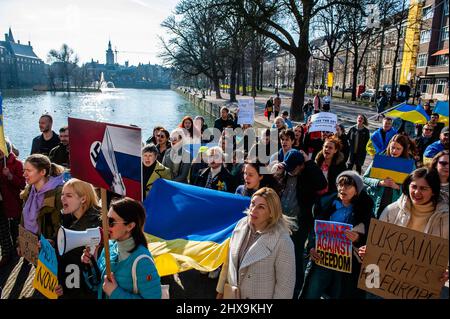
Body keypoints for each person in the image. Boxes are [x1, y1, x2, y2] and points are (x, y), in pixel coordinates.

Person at [358, 167, 448, 298]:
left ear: (433, 191)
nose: (417, 192)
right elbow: (378, 242)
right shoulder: (391, 210)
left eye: (423, 188)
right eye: (414, 186)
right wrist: (369, 251)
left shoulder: (445, 218)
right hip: (383, 282)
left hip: (418, 286)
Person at [301, 171, 373, 299]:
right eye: (340, 185)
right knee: (311, 292)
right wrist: (311, 248)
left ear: (357, 191)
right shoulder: (324, 205)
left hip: (346, 267)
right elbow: (314, 231)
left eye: (348, 186)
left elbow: (371, 237)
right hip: (322, 260)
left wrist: (358, 238)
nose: (342, 189)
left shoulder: (365, 211)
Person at [216, 187, 296, 299]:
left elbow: (285, 288)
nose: (253, 210)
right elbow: (228, 262)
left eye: (261, 207)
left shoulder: (283, 241)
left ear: (272, 213)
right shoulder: (241, 224)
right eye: (253, 204)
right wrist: (220, 291)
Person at [81, 198, 162, 299]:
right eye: (105, 219)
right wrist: (91, 265)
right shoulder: (109, 246)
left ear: (130, 226)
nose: (105, 226)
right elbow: (96, 285)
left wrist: (115, 293)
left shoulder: (142, 261)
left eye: (111, 222)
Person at [274, 149, 328, 297]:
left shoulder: (308, 173)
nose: (290, 172)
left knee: (295, 254)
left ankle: (296, 288)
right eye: (288, 168)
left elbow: (323, 185)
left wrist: (310, 163)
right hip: (279, 220)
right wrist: (277, 172)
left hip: (299, 223)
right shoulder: (284, 172)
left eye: (293, 169)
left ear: (301, 166)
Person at [55, 178, 102, 299]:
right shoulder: (70, 218)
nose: (63, 198)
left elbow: (80, 268)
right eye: (62, 195)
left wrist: (66, 288)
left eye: (69, 195)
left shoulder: (95, 227)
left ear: (83, 199)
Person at [363, 134, 414, 218]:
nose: (394, 151)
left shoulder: (409, 164)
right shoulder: (380, 159)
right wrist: (380, 183)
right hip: (375, 201)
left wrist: (397, 187)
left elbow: (412, 186)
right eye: (392, 147)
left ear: (403, 149)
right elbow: (365, 178)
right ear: (389, 146)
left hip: (395, 205)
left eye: (398, 149)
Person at [19, 154, 65, 241]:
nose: (24, 174)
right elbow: (23, 218)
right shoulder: (29, 190)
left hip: (48, 247)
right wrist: (20, 241)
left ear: (43, 172)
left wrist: (53, 242)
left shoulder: (59, 193)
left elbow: (61, 225)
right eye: (24, 170)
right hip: (30, 244)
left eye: (28, 170)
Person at [0, 141, 26, 267]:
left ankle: (20, 253)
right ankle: (6, 254)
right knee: (2, 230)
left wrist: (10, 175)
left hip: (12, 202)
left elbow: (22, 184)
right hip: (0, 203)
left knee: (16, 229)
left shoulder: (17, 163)